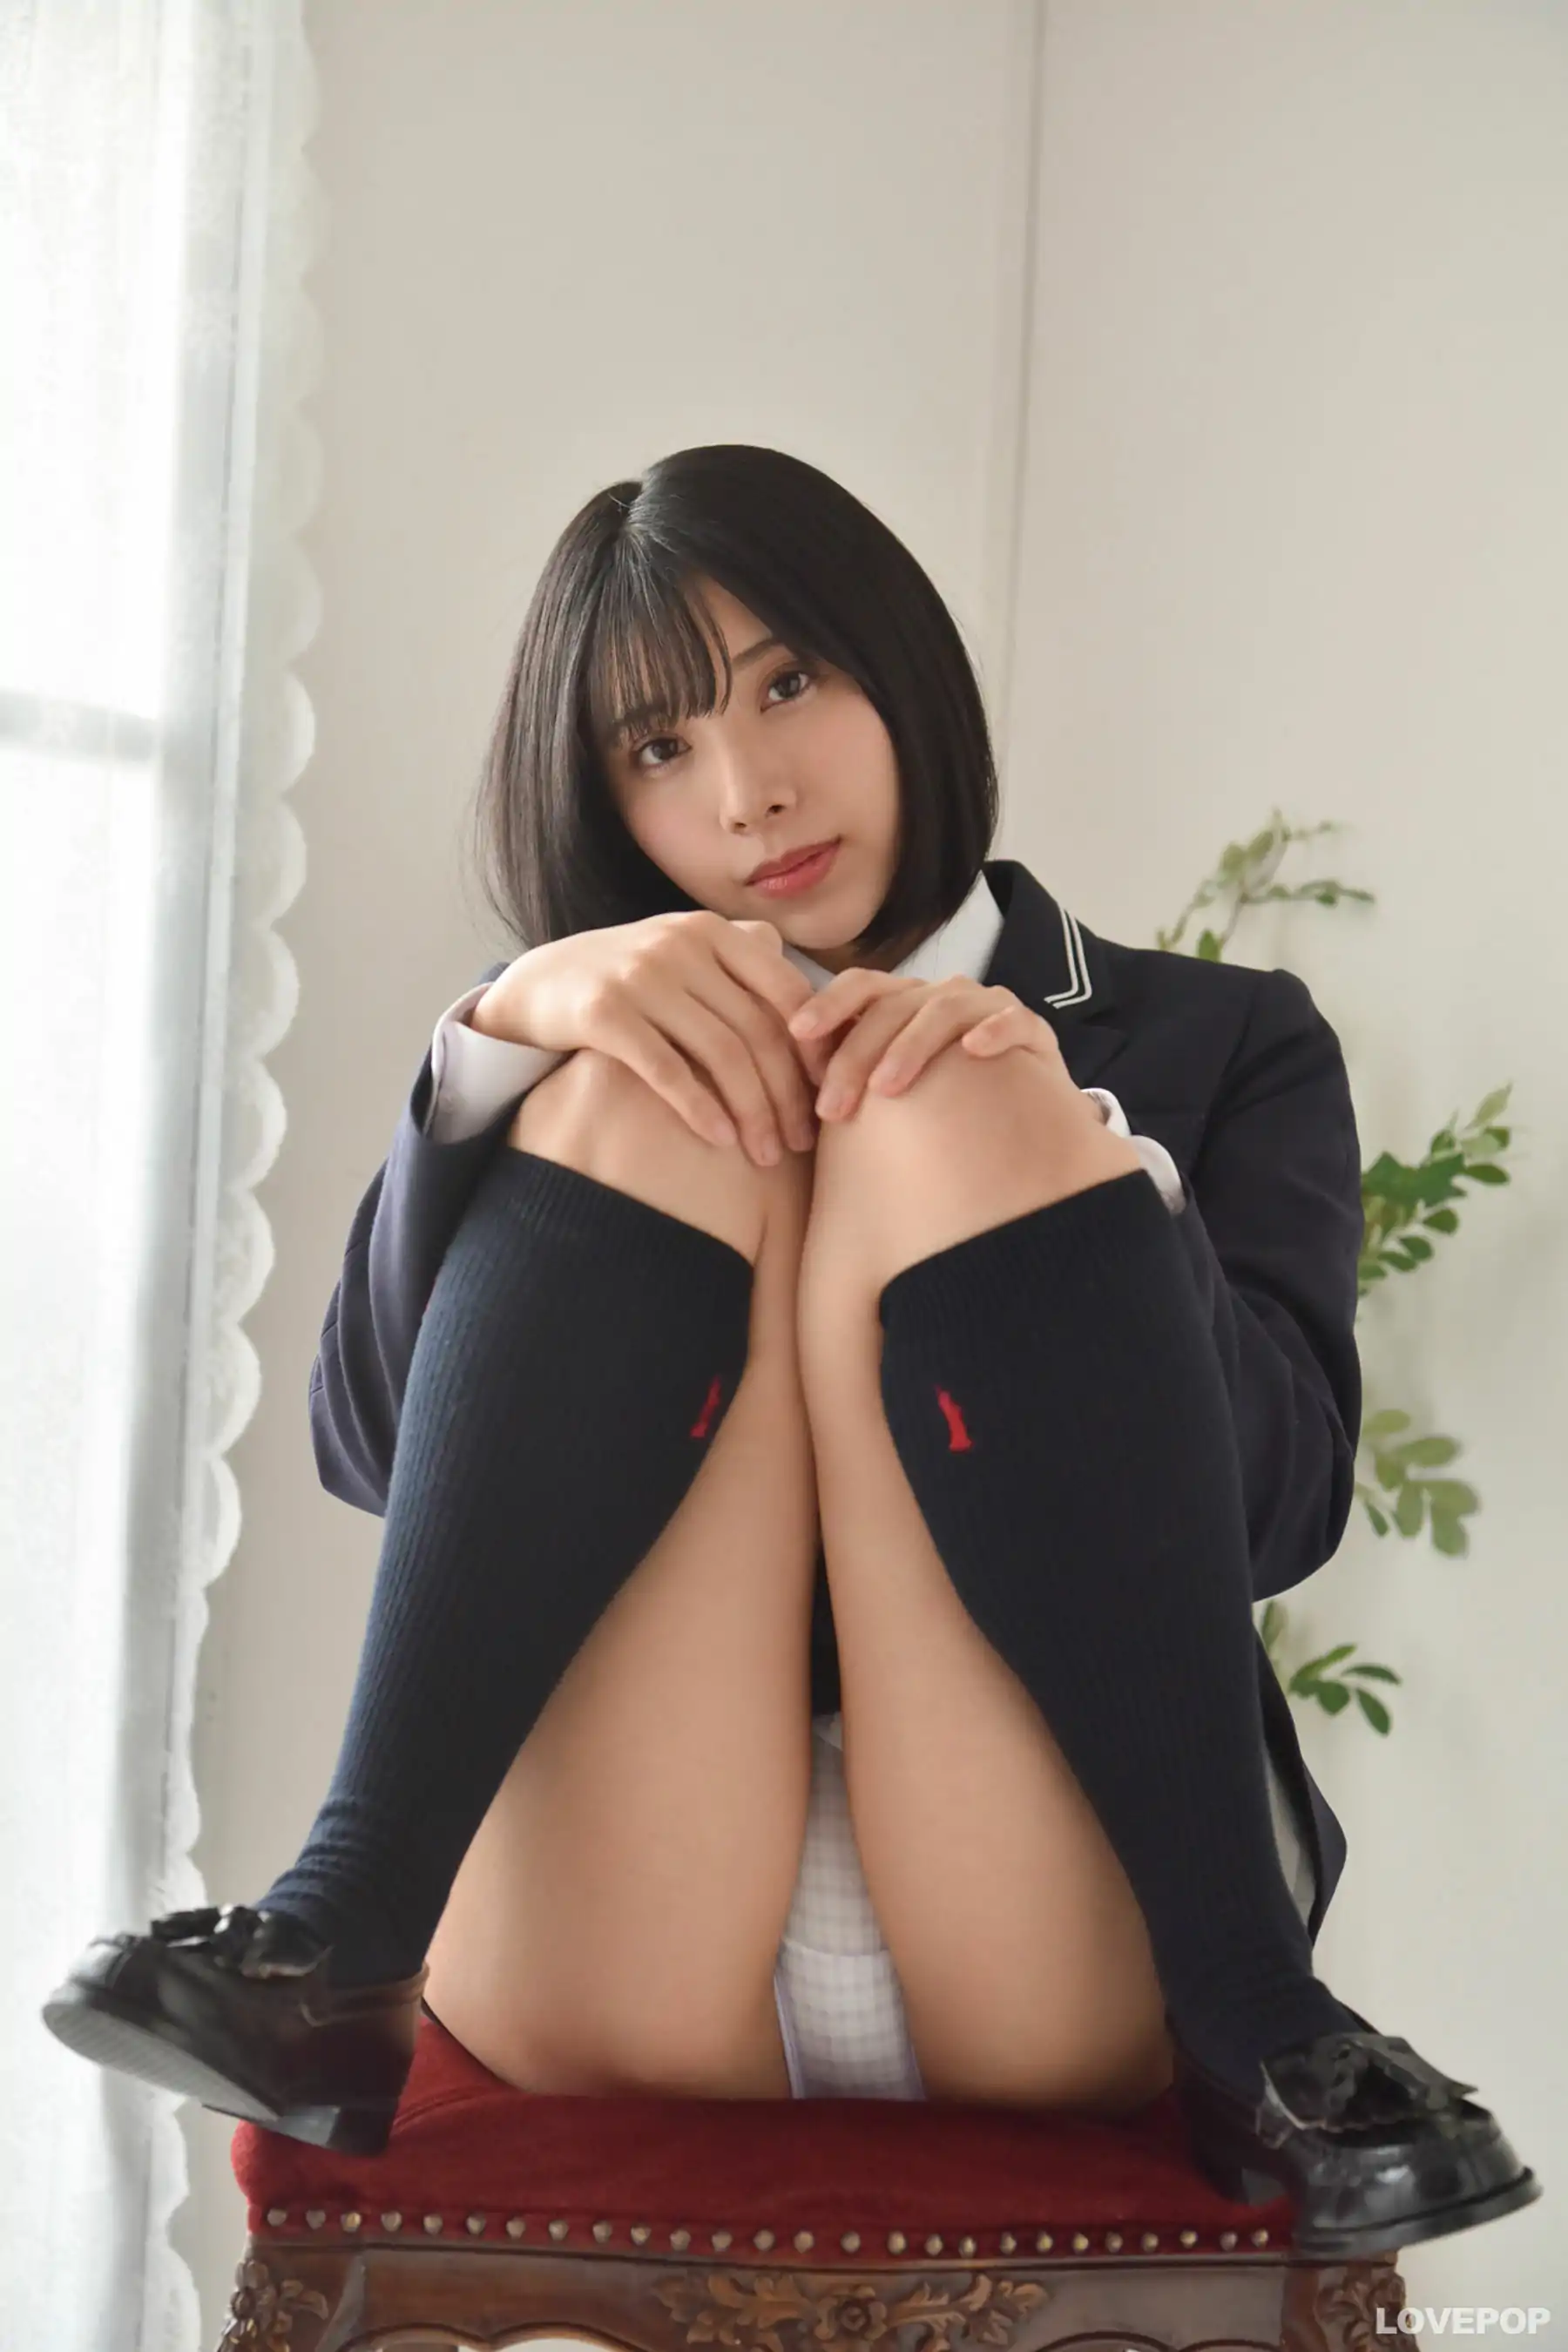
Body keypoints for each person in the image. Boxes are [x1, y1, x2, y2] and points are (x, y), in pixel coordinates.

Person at [44, 443, 1538, 2261]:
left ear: (898, 669)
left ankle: (1259, 2017)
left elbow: (1283, 1510)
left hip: (1068, 1922)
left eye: (788, 683)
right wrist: (501, 1036)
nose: (747, 793)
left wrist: (1074, 1169)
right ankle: (340, 1923)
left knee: (951, 1099)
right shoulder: (563, 1064)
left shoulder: (1223, 1040)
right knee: (651, 1083)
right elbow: (370, 1446)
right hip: (621, 1925)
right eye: (658, 746)